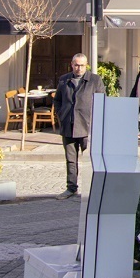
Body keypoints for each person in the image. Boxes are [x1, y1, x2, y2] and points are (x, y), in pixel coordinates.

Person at [53, 53, 106, 198]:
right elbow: (57, 100)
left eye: (82, 65)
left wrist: (95, 120)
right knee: (70, 159)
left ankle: (93, 189)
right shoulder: (64, 79)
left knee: (91, 158)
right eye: (76, 65)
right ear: (72, 64)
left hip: (87, 126)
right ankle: (71, 188)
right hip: (68, 125)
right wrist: (61, 114)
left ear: (86, 65)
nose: (79, 68)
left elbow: (102, 100)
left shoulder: (94, 80)